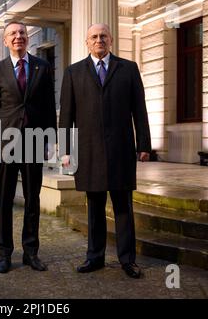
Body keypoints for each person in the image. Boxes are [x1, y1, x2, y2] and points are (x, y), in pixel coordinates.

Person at [59, 23, 151, 279]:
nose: (99, 40)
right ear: (87, 42)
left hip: (121, 149)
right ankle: (95, 257)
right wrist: (65, 150)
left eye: (103, 36)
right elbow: (66, 116)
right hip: (88, 152)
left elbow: (139, 110)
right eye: (94, 37)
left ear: (111, 40)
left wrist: (144, 144)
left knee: (124, 208)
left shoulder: (128, 69)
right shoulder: (73, 72)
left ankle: (127, 259)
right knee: (95, 207)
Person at [0, 21, 57, 273]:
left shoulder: (43, 67)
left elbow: (49, 106)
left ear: (28, 38)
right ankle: (4, 253)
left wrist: (50, 139)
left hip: (35, 141)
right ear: (5, 41)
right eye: (13, 34)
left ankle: (31, 252)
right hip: (5, 144)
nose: (18, 37)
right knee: (4, 200)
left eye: (22, 33)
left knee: (32, 200)